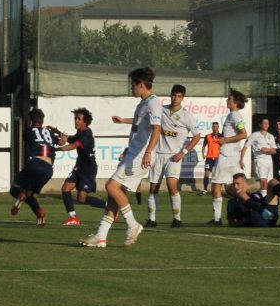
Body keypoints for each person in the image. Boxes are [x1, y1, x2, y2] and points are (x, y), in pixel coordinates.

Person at [80, 67, 161, 248]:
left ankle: (133, 225)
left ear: (141, 85)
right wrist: (123, 120)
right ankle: (101, 237)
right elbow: (141, 123)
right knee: (114, 197)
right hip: (133, 153)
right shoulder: (143, 103)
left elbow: (157, 128)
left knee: (111, 186)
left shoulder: (154, 103)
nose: (131, 88)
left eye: (133, 85)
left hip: (140, 156)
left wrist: (148, 152)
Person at [146, 84, 201, 228]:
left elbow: (197, 136)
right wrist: (123, 120)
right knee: (153, 188)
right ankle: (152, 219)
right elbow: (143, 120)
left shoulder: (187, 116)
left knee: (171, 185)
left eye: (178, 96)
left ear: (183, 98)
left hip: (173, 156)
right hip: (157, 154)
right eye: (173, 95)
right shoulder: (161, 110)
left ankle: (177, 219)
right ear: (170, 95)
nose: (175, 98)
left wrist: (183, 152)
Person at [9, 108, 60, 226]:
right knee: (30, 194)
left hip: (35, 163)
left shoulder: (28, 131)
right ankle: (39, 213)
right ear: (42, 121)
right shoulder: (51, 133)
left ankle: (20, 195)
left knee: (15, 189)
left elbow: (28, 138)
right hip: (48, 169)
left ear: (30, 120)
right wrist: (56, 131)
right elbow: (62, 141)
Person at [206, 89, 248, 226]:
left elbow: (243, 134)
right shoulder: (234, 115)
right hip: (232, 156)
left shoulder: (234, 116)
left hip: (226, 156)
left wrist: (225, 140)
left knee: (216, 185)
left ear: (235, 102)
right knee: (233, 187)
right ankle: (248, 211)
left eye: (229, 99)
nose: (227, 101)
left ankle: (217, 219)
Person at [59, 107, 106, 226]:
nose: (76, 121)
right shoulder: (80, 133)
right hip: (79, 167)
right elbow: (71, 139)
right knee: (65, 188)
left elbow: (74, 144)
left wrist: (56, 149)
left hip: (88, 170)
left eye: (79, 119)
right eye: (75, 118)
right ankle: (73, 218)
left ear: (85, 122)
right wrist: (55, 130)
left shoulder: (87, 134)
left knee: (82, 198)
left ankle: (110, 207)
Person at [240, 117, 277, 198]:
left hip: (269, 161)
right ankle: (264, 202)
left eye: (268, 123)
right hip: (260, 160)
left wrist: (267, 150)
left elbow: (274, 151)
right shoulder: (254, 135)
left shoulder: (271, 136)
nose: (266, 125)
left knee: (268, 183)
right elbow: (245, 147)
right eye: (264, 123)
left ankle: (255, 195)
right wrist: (241, 160)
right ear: (260, 124)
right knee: (263, 182)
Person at [199, 122, 221, 195]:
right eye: (214, 126)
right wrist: (203, 153)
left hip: (218, 158)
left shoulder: (221, 136)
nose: (215, 128)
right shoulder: (207, 136)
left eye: (216, 126)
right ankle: (205, 189)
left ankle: (216, 189)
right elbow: (203, 146)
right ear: (212, 127)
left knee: (216, 175)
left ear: (218, 127)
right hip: (209, 158)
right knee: (206, 173)